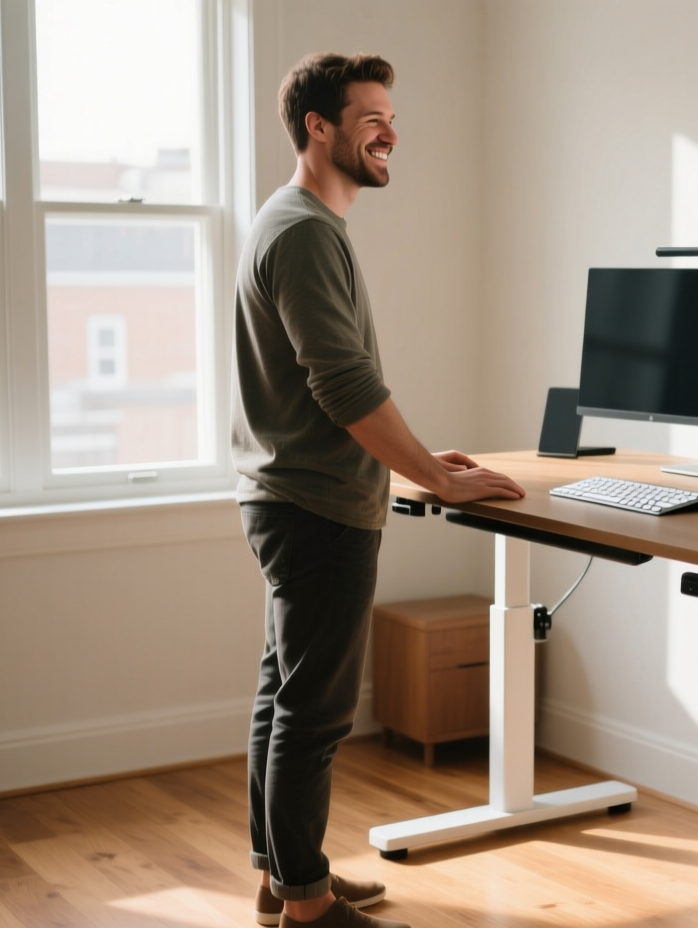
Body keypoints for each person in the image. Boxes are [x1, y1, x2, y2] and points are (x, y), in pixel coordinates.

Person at [233, 53, 525, 928]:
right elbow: (344, 385)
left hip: (292, 492)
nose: (390, 131)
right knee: (312, 716)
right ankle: (310, 907)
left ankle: (285, 876)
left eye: (392, 116)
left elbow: (324, 387)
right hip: (315, 507)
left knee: (283, 695)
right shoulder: (304, 231)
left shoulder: (299, 221)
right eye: (370, 116)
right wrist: (431, 477)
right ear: (318, 127)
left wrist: (420, 455)